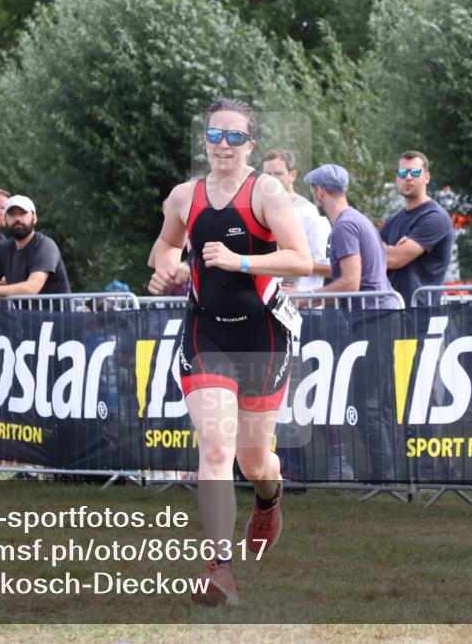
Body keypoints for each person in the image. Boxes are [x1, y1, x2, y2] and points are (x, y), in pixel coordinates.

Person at [146, 98, 312, 606]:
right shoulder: (183, 195)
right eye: (215, 136)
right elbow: (165, 246)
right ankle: (219, 570)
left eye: (234, 137)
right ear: (205, 140)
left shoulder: (265, 192)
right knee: (215, 450)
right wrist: (166, 267)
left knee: (254, 460)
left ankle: (269, 497)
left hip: (262, 335)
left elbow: (301, 260)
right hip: (206, 333)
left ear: (250, 144)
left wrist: (239, 260)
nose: (223, 145)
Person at [304, 162, 399, 481]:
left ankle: (385, 478)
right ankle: (387, 474)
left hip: (372, 319)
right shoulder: (357, 219)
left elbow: (351, 282)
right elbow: (347, 271)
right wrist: (313, 270)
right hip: (380, 316)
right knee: (377, 404)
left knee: (366, 405)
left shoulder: (343, 226)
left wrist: (306, 298)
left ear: (319, 192)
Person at [381, 151, 455, 306]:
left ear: (426, 177)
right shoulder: (392, 221)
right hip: (392, 312)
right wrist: (388, 250)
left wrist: (390, 251)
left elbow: (393, 259)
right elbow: (376, 258)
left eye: (415, 172)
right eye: (402, 172)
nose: (408, 177)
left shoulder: (435, 218)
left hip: (422, 316)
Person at [0, 195, 71, 297]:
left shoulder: (45, 246)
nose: (17, 218)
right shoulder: (4, 249)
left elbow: (31, 288)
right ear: (5, 219)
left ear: (34, 218)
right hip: (25, 316)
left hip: (58, 316)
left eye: (23, 213)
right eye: (12, 214)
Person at [261, 149, 331, 291]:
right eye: (267, 174)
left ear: (292, 175)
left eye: (278, 174)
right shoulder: (260, 210)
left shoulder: (309, 212)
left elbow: (330, 268)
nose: (272, 179)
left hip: (303, 306)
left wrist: (291, 258)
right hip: (269, 304)